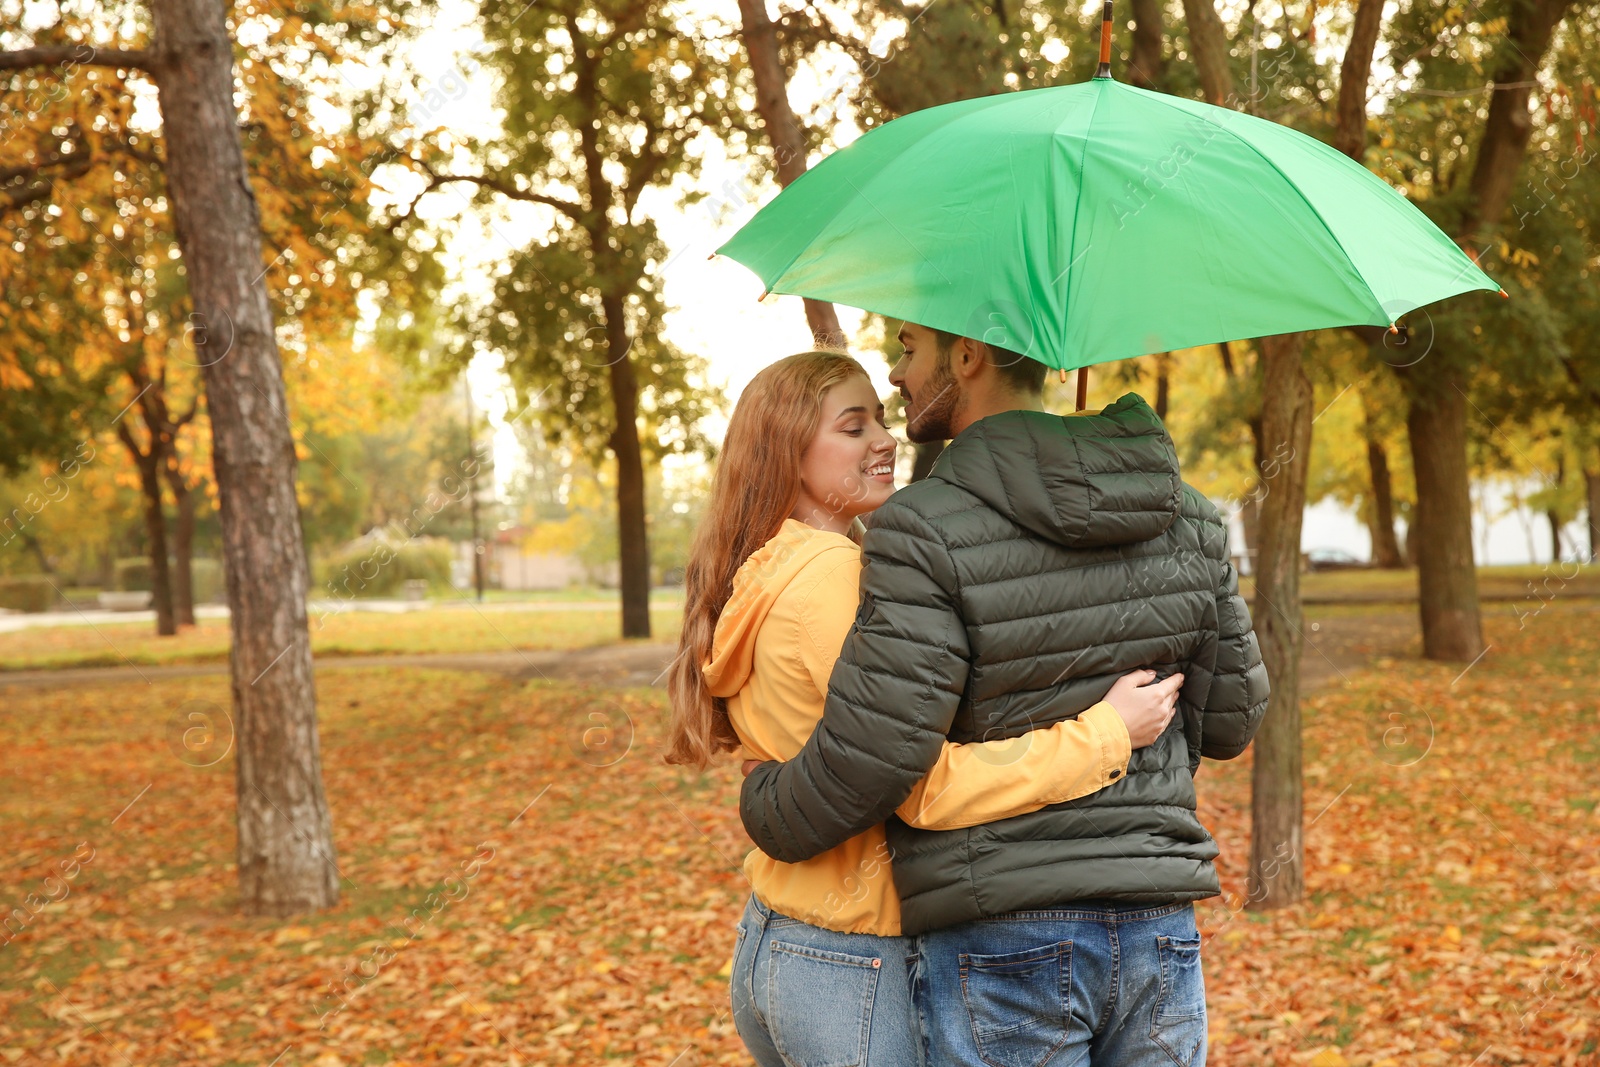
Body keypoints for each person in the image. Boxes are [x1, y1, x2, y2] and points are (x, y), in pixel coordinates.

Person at [740, 325, 1270, 1066]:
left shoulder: (920, 527)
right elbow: (1230, 720)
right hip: (1158, 922)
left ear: (966, 355)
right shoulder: (1188, 513)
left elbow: (881, 757)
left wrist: (765, 804)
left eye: (909, 348)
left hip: (1005, 933)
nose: (898, 375)